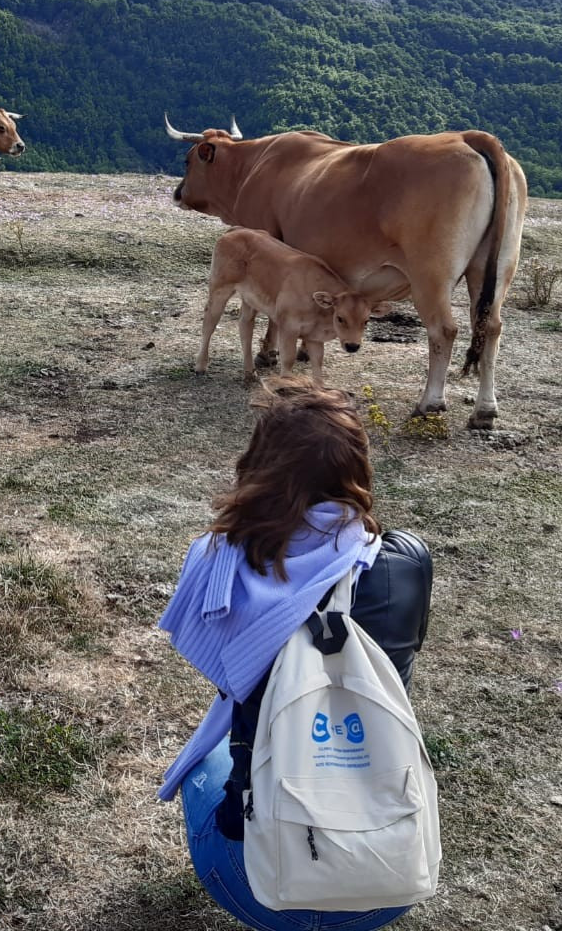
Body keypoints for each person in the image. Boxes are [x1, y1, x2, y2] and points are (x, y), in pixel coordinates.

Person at [157, 378, 434, 931]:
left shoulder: (221, 559)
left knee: (205, 761)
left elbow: (223, 674)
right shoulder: (404, 561)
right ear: (357, 469)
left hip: (259, 881)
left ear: (259, 465)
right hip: (390, 879)